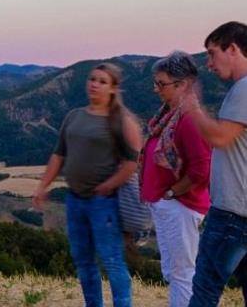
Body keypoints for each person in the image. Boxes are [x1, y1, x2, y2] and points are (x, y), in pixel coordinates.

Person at [34, 62, 142, 307]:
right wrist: (42, 186)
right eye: (92, 79)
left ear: (113, 89)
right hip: (74, 200)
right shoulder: (74, 116)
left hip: (104, 203)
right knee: (83, 261)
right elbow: (58, 155)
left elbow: (131, 164)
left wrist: (108, 185)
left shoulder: (122, 122)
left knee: (112, 260)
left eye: (102, 81)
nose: (94, 84)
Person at [140, 51, 211, 306]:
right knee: (173, 272)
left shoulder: (190, 119)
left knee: (182, 274)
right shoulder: (169, 116)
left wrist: (171, 194)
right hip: (168, 205)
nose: (156, 89)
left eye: (161, 83)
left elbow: (202, 170)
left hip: (180, 206)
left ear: (182, 84)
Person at [185, 21, 247, 307]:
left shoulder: (245, 88)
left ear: (232, 48)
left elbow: (221, 137)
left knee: (204, 293)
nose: (208, 63)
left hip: (232, 215)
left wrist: (193, 108)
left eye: (212, 53)